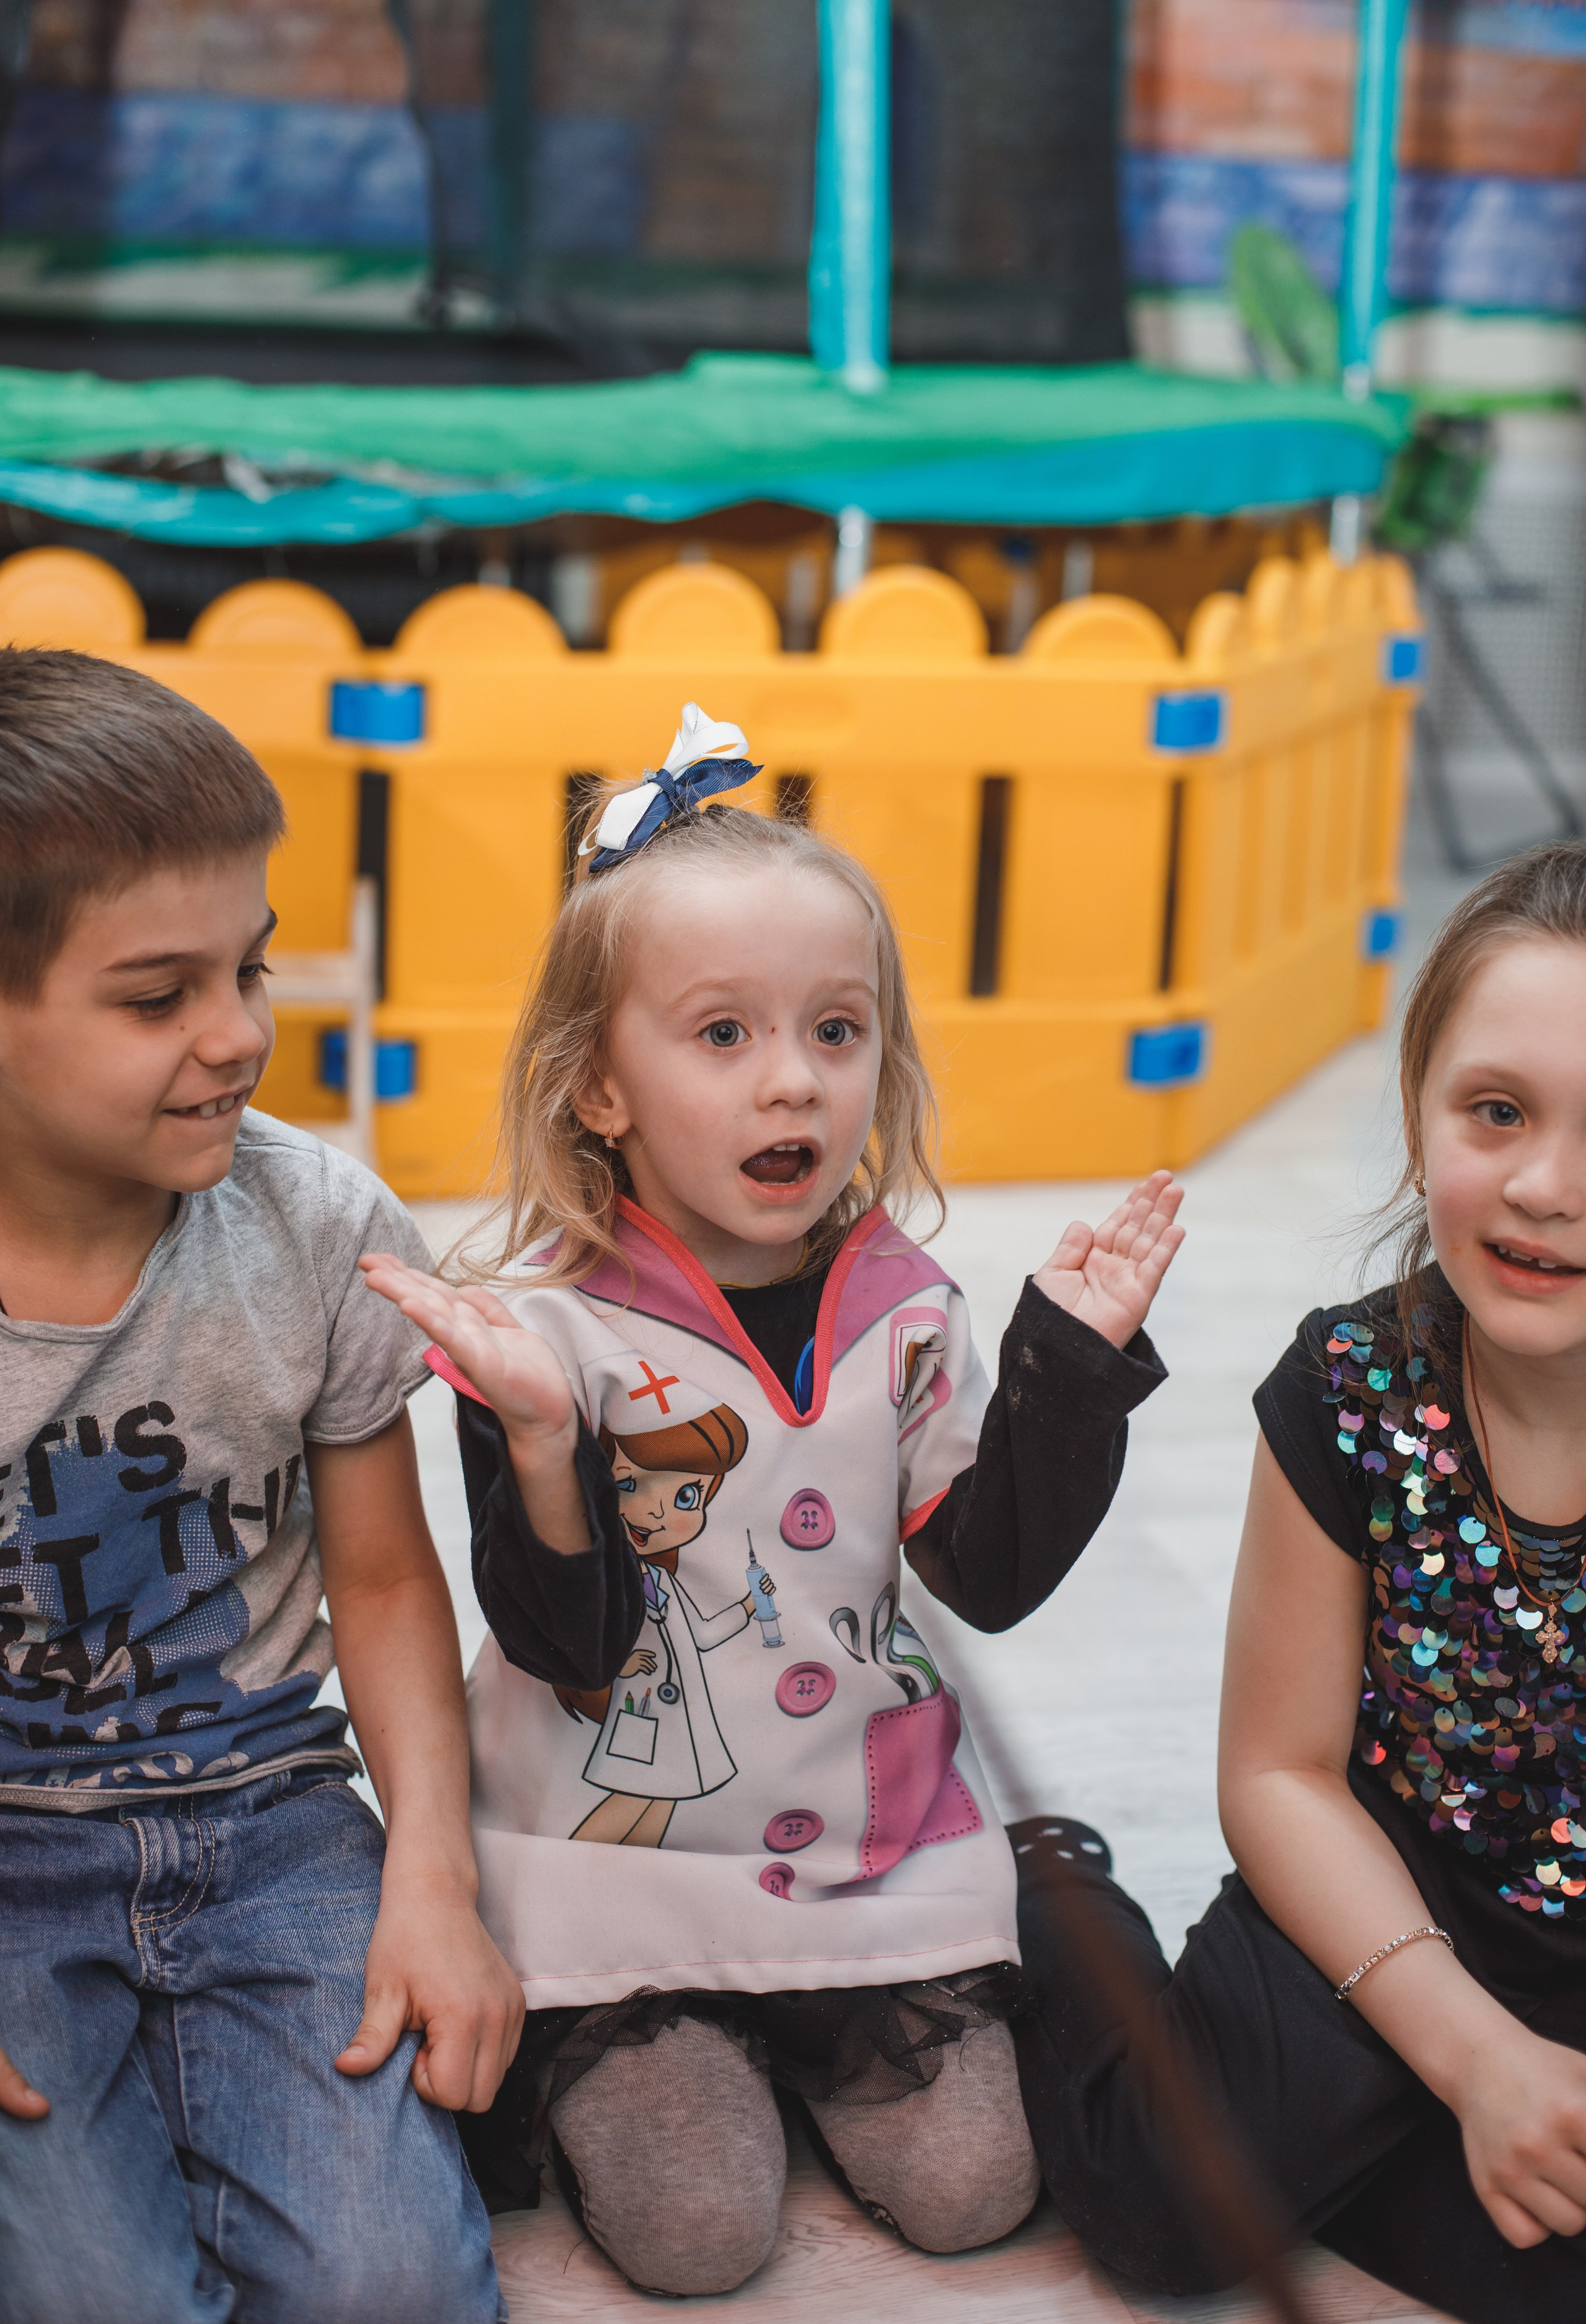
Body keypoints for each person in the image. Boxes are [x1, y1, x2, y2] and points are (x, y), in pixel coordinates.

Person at [362, 703, 1185, 2297]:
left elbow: (987, 1574)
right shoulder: (537, 1334)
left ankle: (1037, 1878)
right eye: (722, 1035)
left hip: (868, 1854)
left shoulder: (913, 1303)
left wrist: (1066, 1372)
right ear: (598, 1090)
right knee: (696, 2239)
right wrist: (542, 1444)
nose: (793, 1084)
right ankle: (688, 2043)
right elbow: (566, 1647)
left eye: (835, 1030)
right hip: (615, 1867)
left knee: (974, 2196)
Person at [0, 649, 521, 2324]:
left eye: (253, 967)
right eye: (159, 997)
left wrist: (433, 1884)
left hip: (272, 1823)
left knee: (395, 2294)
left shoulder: (316, 1224)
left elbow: (379, 1584)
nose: (238, 1035)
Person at [1013, 839, 1586, 2324]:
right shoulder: (1351, 1386)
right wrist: (1465, 2052)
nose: (1544, 1186)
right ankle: (1049, 1888)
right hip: (1374, 1888)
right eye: (1495, 1112)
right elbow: (1278, 1772)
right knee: (1162, 2208)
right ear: (1415, 1120)